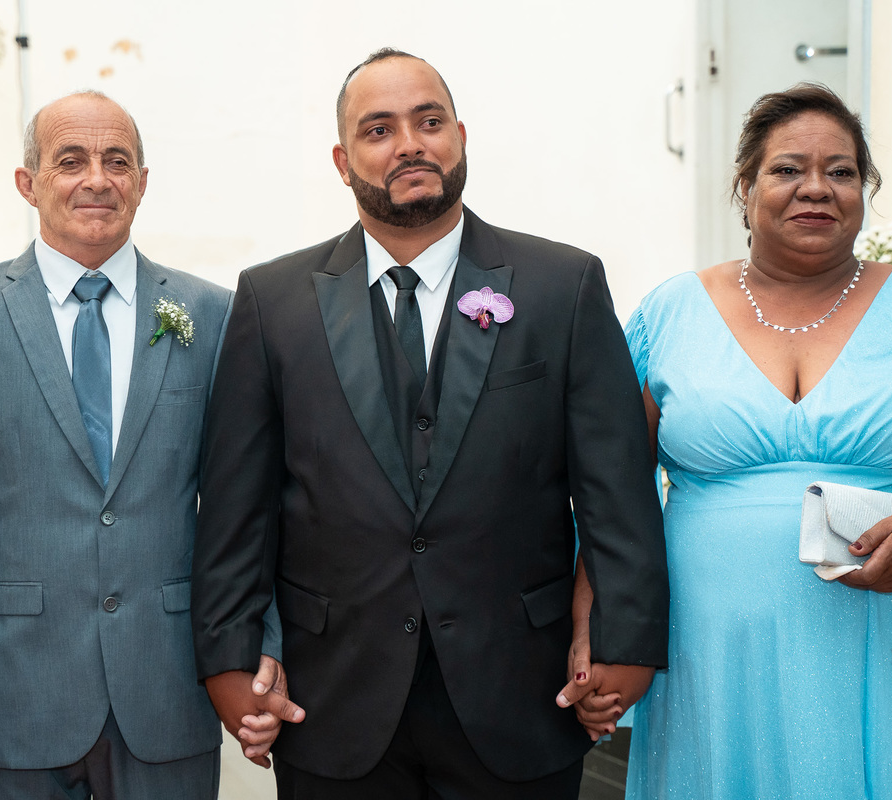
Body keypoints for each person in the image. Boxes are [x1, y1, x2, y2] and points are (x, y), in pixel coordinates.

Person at [189, 48, 670, 798]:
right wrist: (229, 655)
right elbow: (235, 508)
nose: (410, 144)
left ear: (461, 136)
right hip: (331, 699)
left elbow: (617, 493)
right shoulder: (271, 301)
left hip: (523, 693)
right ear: (343, 162)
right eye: (379, 130)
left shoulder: (564, 285)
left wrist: (622, 641)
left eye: (429, 122)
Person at [570, 82, 892, 799]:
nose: (817, 188)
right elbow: (612, 493)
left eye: (842, 171)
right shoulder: (669, 314)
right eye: (788, 169)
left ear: (864, 191)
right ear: (745, 188)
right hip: (710, 646)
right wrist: (591, 630)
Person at [0, 91, 233, 798]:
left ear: (142, 181)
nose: (97, 180)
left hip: (168, 688)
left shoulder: (209, 314)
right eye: (71, 161)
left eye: (118, 161)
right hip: (12, 698)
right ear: (29, 183)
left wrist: (255, 653)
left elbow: (242, 511)